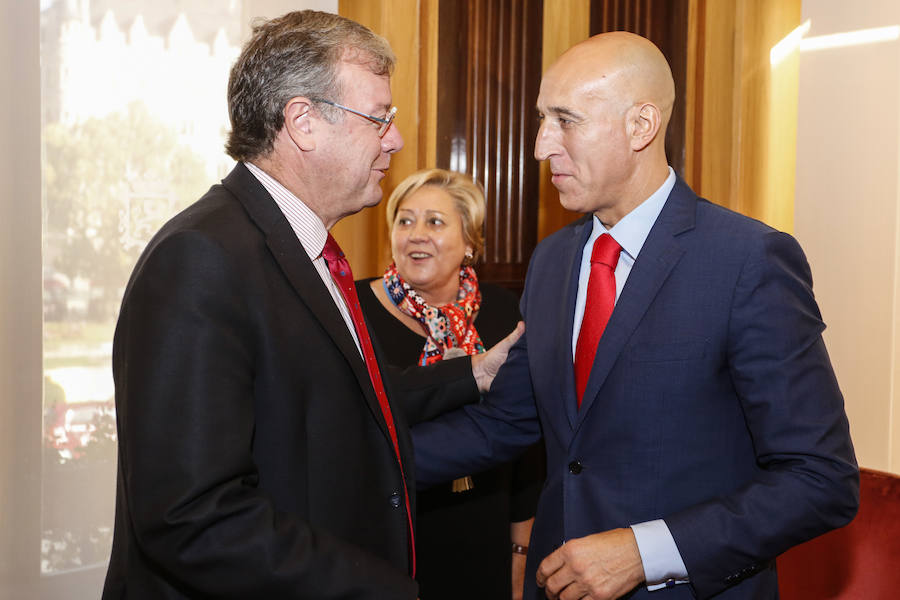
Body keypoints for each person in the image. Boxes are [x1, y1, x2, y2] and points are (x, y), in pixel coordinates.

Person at [412, 31, 859, 600]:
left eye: (564, 120)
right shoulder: (552, 260)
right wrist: (349, 459)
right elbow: (506, 422)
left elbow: (820, 480)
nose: (540, 145)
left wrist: (645, 552)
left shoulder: (747, 260)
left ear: (641, 126)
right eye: (542, 119)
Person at [102, 11, 518, 600]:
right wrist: (383, 589)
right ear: (303, 123)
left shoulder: (302, 248)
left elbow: (343, 398)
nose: (394, 139)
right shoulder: (201, 258)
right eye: (379, 118)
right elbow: (192, 518)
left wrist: (475, 373)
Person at [356, 168, 544, 600]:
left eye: (435, 222)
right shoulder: (355, 310)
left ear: (470, 243)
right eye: (405, 220)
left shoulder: (504, 312)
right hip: (386, 541)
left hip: (483, 534)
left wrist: (520, 551)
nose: (416, 234)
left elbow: (529, 452)